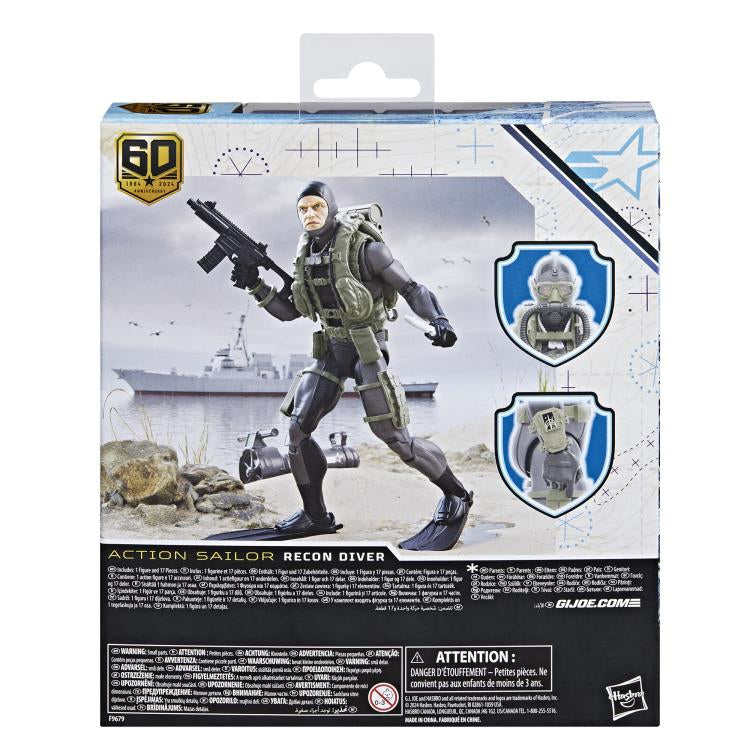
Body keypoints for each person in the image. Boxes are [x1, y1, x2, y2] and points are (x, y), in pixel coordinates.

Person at [212, 181, 472, 551]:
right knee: (297, 433)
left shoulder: (368, 250)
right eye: (303, 209)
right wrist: (256, 285)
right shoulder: (306, 255)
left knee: (395, 438)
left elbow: (413, 289)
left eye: (317, 206)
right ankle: (315, 515)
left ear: (331, 208)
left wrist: (440, 320)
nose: (310, 214)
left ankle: (457, 494)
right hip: (331, 348)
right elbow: (290, 313)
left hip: (367, 347)